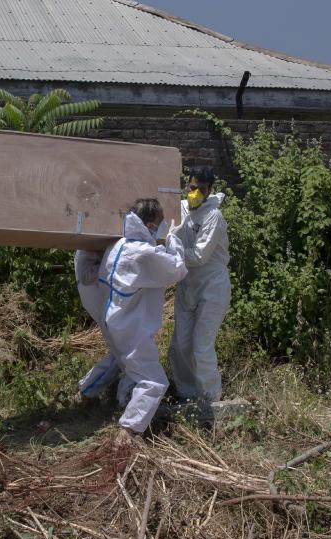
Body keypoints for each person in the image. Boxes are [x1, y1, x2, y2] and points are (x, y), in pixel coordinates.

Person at [76, 198, 188, 435]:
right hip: (131, 329)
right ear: (149, 225)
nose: (161, 227)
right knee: (154, 382)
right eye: (159, 223)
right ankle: (127, 432)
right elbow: (176, 269)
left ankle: (86, 392)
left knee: (119, 359)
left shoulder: (116, 246)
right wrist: (174, 240)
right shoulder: (143, 254)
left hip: (112, 321)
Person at [167, 167, 231, 415]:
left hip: (212, 286)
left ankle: (210, 399)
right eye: (192, 188)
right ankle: (187, 394)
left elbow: (200, 256)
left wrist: (170, 250)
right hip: (187, 284)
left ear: (210, 191)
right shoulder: (180, 208)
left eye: (201, 190)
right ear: (187, 185)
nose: (195, 194)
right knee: (180, 345)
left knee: (201, 346)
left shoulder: (213, 215)